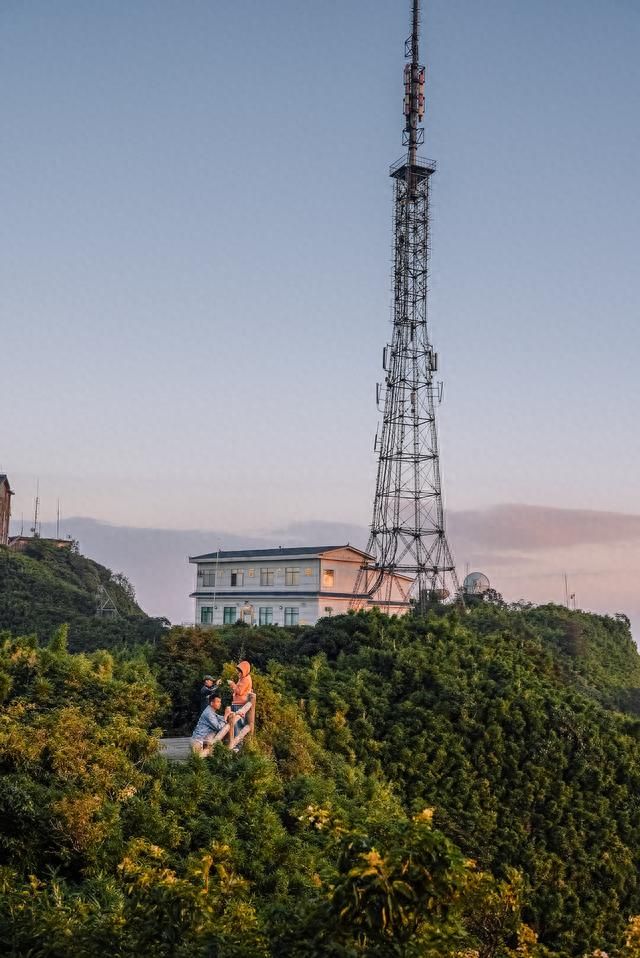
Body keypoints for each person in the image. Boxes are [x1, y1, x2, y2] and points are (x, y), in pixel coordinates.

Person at [227, 660, 252, 736]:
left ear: (245, 671)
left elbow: (240, 691)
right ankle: (237, 744)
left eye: (240, 671)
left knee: (237, 725)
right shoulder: (243, 678)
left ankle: (237, 745)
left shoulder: (245, 679)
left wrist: (232, 684)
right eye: (238, 671)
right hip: (237, 703)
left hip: (240, 704)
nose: (238, 673)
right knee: (236, 724)